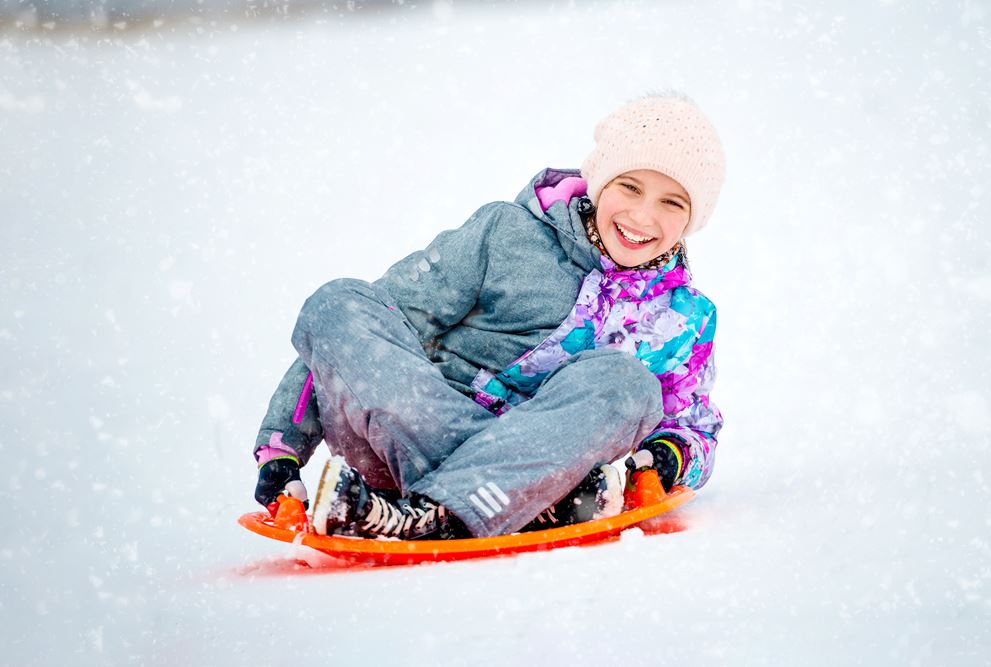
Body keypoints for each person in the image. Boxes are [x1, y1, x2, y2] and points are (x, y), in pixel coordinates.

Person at [252, 93, 725, 540]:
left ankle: (442, 510)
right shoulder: (507, 234)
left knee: (627, 383)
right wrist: (281, 449)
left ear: (693, 219)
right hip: (413, 431)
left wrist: (668, 457)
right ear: (601, 181)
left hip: (547, 456)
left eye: (671, 202)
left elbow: (692, 427)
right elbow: (380, 320)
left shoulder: (683, 317)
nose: (643, 215)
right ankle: (515, 503)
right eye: (630, 186)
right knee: (338, 302)